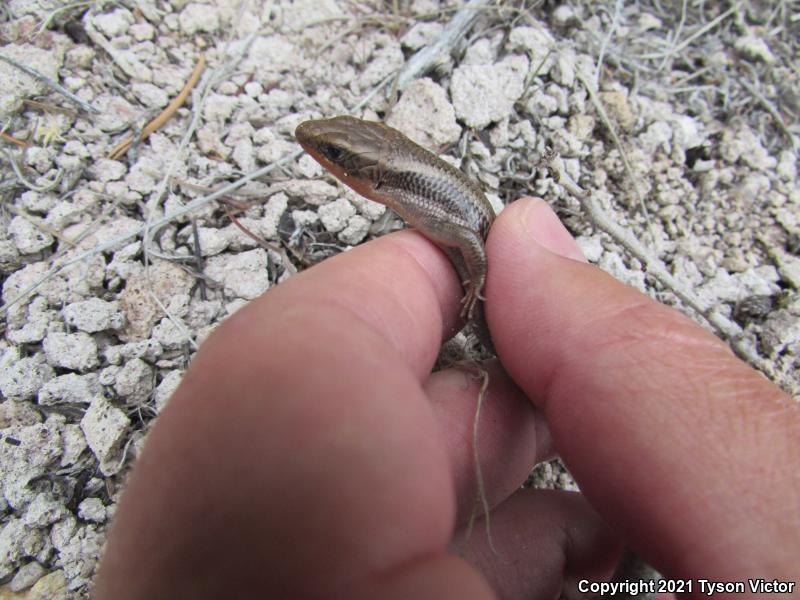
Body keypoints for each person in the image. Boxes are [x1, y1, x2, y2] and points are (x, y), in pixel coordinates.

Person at [93, 199, 799, 599]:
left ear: (370, 178)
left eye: (334, 157)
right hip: (520, 380)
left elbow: (468, 238)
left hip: (524, 357)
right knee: (615, 540)